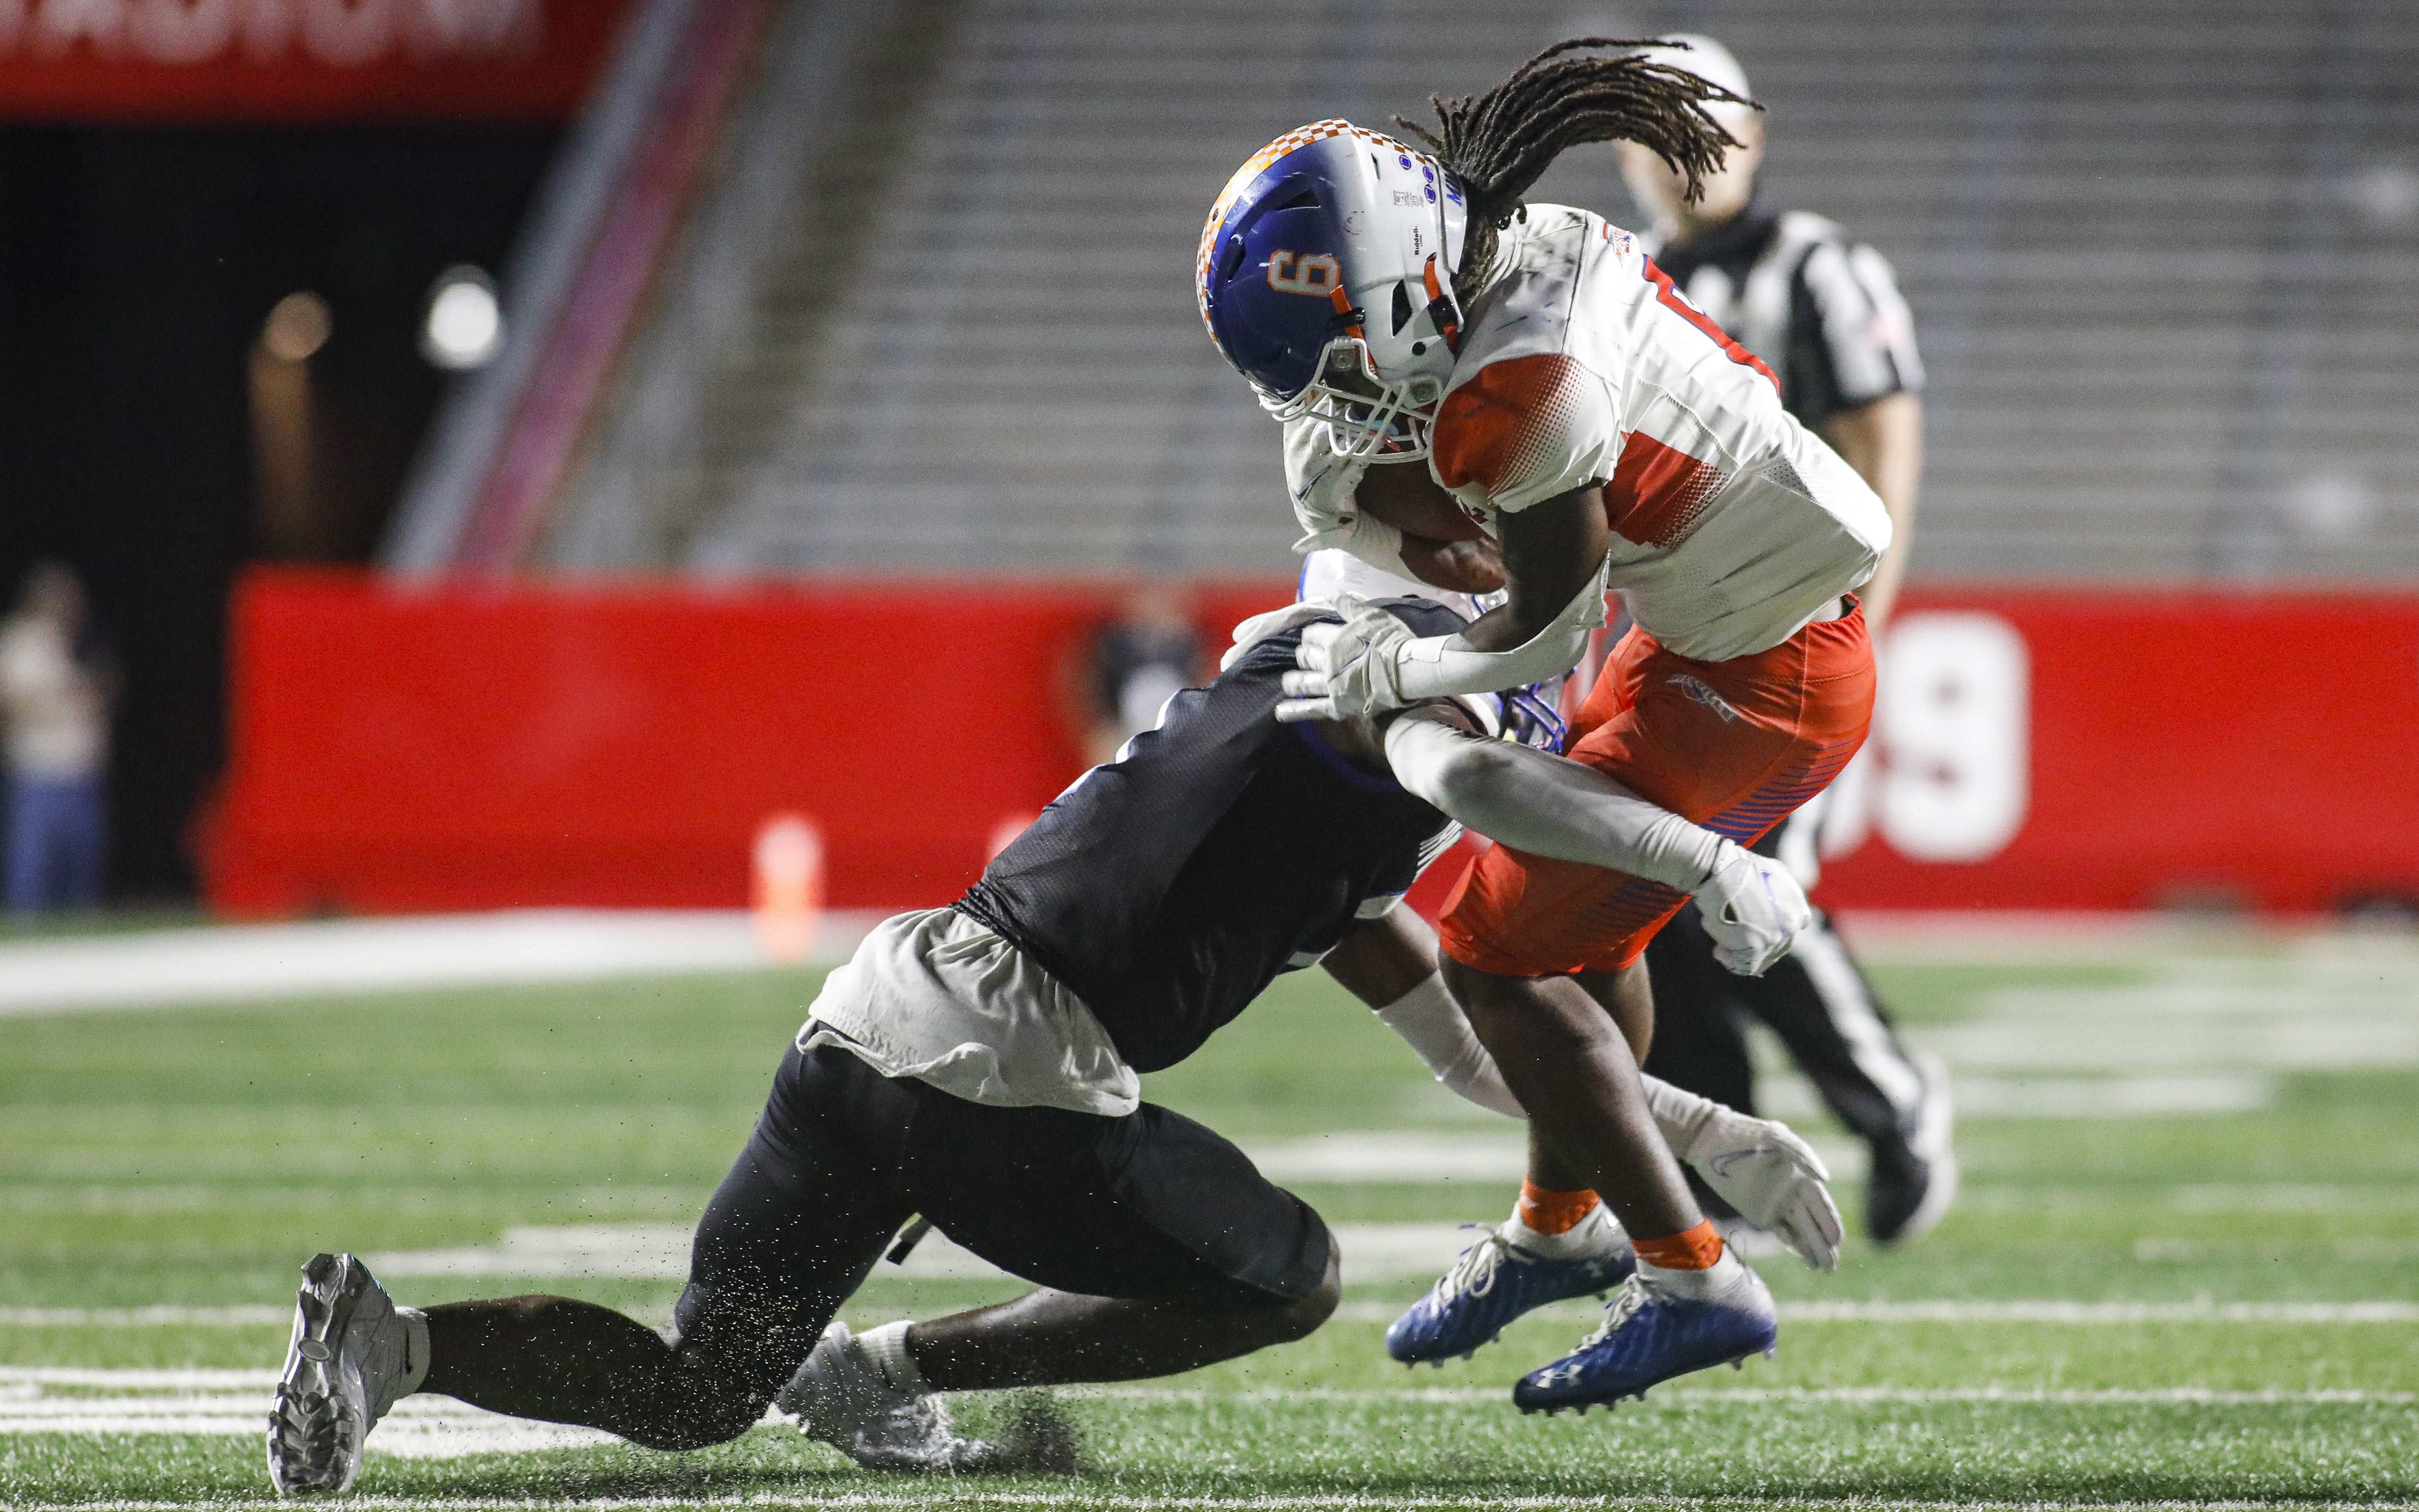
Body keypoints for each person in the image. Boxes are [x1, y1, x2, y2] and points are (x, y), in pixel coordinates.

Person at [264, 598, 1840, 1495]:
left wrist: (1713, 1140)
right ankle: (886, 1366)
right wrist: (1695, 858)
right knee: (1287, 1272)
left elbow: (1481, 1055)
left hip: (866, 1031)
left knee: (699, 1390)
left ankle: (388, 1342)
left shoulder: (1295, 758)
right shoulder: (1383, 730)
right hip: (1001, 1083)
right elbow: (1459, 765)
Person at [1194, 37, 1890, 1398]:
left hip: (1759, 680)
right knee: (1569, 930)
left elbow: (1548, 624)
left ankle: (1689, 1272)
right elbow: (1429, 503)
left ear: (1397, 290)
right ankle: (1554, 1231)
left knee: (1490, 958)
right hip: (1714, 635)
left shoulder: (1518, 384)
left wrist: (1399, 674)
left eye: (1340, 359)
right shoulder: (1494, 250)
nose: (1335, 396)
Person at [1612, 35, 1955, 1251]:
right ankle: (1725, 1168)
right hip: (1680, 632)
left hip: (1800, 624)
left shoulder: (1814, 263)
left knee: (1757, 880)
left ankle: (1892, 1098)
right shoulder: (1627, 276)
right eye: (1657, 126)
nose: (1683, 152)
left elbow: (1882, 432)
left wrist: (1871, 607)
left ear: (1752, 134)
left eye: (1703, 124)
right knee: (1662, 886)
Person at [0, 562, 113, 914]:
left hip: (82, 770)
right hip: (37, 771)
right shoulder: (19, 641)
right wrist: (57, 702)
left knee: (81, 866)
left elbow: (105, 690)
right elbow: (11, 702)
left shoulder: (82, 641)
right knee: (31, 868)